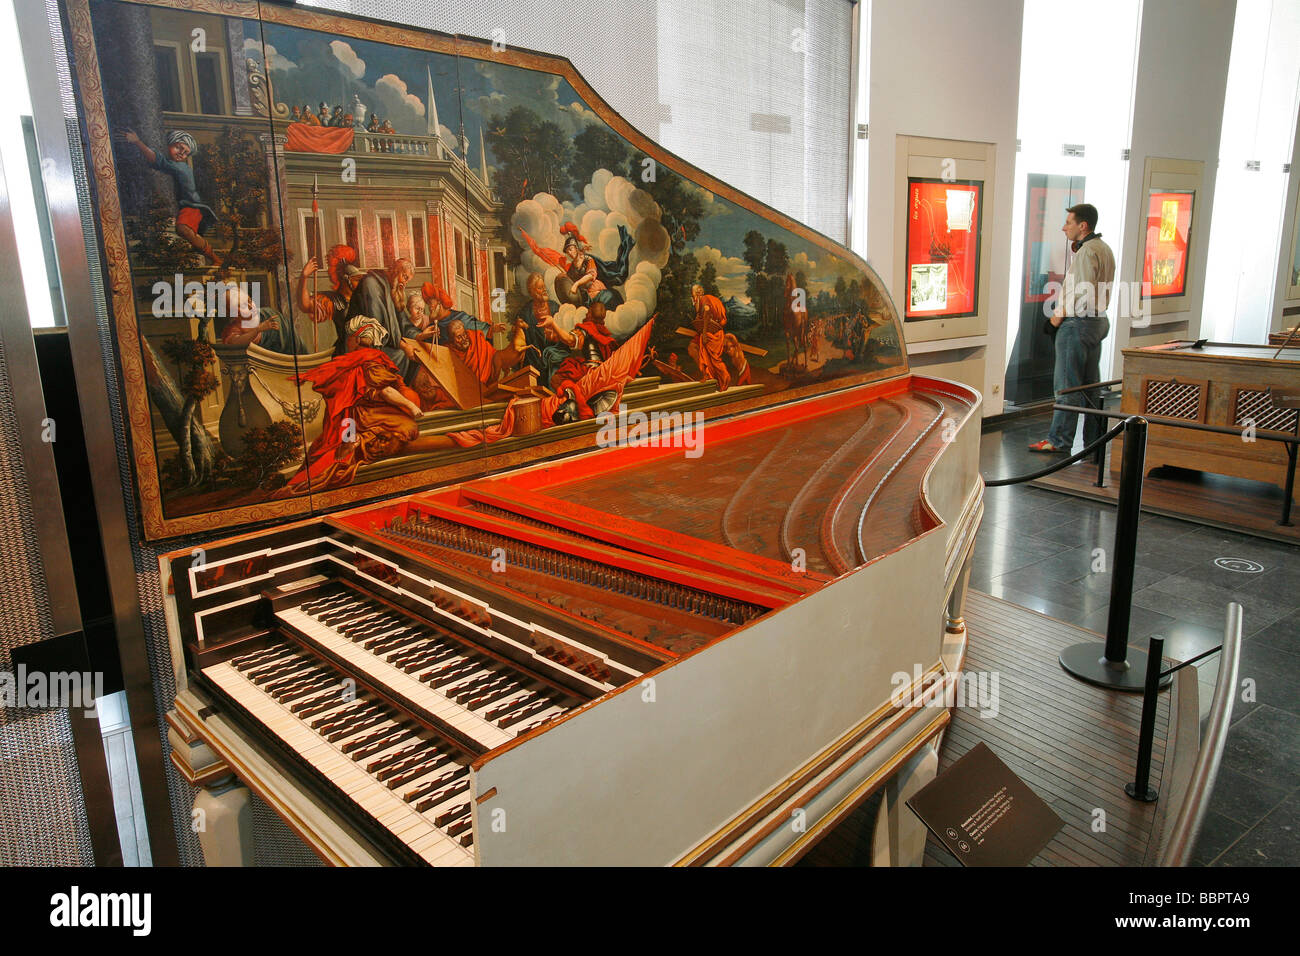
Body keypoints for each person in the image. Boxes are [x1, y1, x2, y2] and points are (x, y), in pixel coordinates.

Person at [1030, 202, 1115, 453]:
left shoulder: (1088, 251)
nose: (1063, 227)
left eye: (1068, 223)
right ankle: (1094, 441)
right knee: (1090, 387)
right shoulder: (1104, 248)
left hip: (1078, 323)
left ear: (1083, 225)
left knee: (1067, 386)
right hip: (1097, 321)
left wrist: (1055, 320)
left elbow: (1080, 291)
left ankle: (1059, 440)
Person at [122, 128, 221, 265]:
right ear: (170, 143)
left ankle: (215, 259)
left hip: (192, 206)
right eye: (179, 147)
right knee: (186, 234)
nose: (181, 153)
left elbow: (155, 159)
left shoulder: (180, 167)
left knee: (183, 229)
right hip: (186, 206)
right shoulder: (178, 166)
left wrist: (137, 142)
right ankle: (213, 258)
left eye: (186, 152)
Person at [344, 258, 418, 377]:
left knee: (415, 358)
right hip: (364, 341)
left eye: (407, 280)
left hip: (382, 339)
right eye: (404, 277)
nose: (404, 283)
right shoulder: (371, 283)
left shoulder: (393, 288)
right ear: (395, 271)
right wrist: (404, 346)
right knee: (402, 355)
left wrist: (419, 335)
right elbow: (378, 323)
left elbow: (402, 320)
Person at [298, 245, 363, 354]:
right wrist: (303, 277)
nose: (360, 283)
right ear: (346, 280)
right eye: (357, 279)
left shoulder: (362, 297)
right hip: (345, 352)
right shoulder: (333, 300)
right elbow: (304, 305)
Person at [688, 283, 731, 391]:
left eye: (693, 295)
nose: (692, 298)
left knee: (714, 359)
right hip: (710, 331)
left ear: (698, 293)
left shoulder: (704, 299)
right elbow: (704, 316)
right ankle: (707, 375)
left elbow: (707, 311)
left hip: (711, 333)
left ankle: (725, 378)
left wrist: (705, 332)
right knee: (693, 348)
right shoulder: (705, 300)